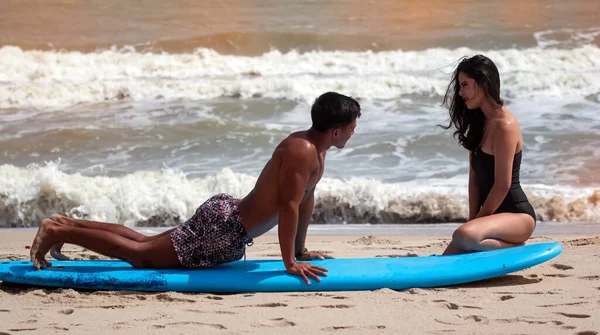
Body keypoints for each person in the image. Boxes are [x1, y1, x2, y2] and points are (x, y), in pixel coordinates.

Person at [30, 91, 361, 285]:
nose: (352, 134)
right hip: (225, 229)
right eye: (350, 128)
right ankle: (57, 232)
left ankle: (64, 225)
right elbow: (288, 205)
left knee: (143, 243)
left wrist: (300, 250)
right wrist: (289, 263)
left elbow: (304, 199)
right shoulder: (302, 151)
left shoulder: (317, 149)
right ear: (335, 131)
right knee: (139, 257)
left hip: (228, 219)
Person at [439, 55, 536, 255]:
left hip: (517, 217)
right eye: (459, 86)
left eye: (465, 85)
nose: (460, 92)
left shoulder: (505, 126)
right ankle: (477, 238)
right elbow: (473, 181)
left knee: (464, 236)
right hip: (491, 219)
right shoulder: (479, 125)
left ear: (483, 82)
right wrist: (472, 220)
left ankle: (516, 248)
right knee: (454, 249)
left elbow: (503, 185)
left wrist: (477, 223)